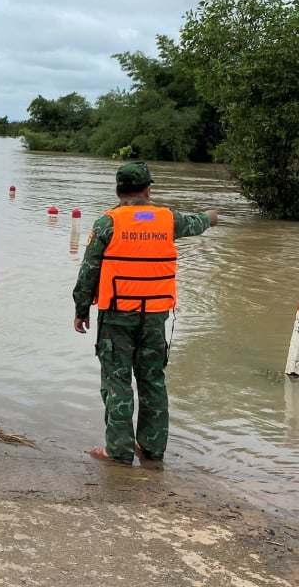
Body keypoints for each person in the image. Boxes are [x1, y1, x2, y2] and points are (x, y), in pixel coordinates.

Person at [73, 162, 218, 465]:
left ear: (117, 190)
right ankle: (152, 449)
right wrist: (210, 217)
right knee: (153, 381)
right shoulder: (168, 219)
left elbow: (89, 271)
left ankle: (118, 449)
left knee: (118, 381)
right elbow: (196, 222)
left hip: (117, 316)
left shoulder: (106, 223)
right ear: (148, 190)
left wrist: (81, 309)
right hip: (154, 315)